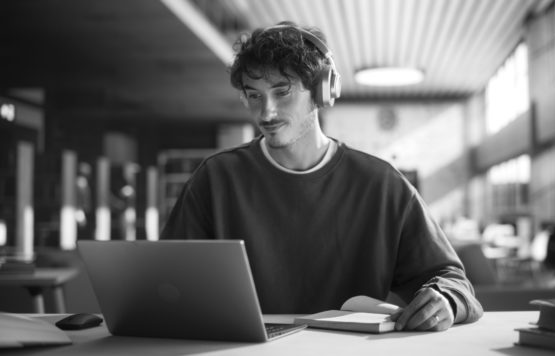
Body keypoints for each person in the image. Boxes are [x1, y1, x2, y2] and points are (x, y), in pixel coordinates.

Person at [161, 21, 483, 331]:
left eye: (281, 91)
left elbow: (452, 279)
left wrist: (447, 301)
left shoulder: (381, 184)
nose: (266, 112)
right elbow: (165, 280)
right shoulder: (216, 179)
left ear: (321, 91)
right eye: (254, 95)